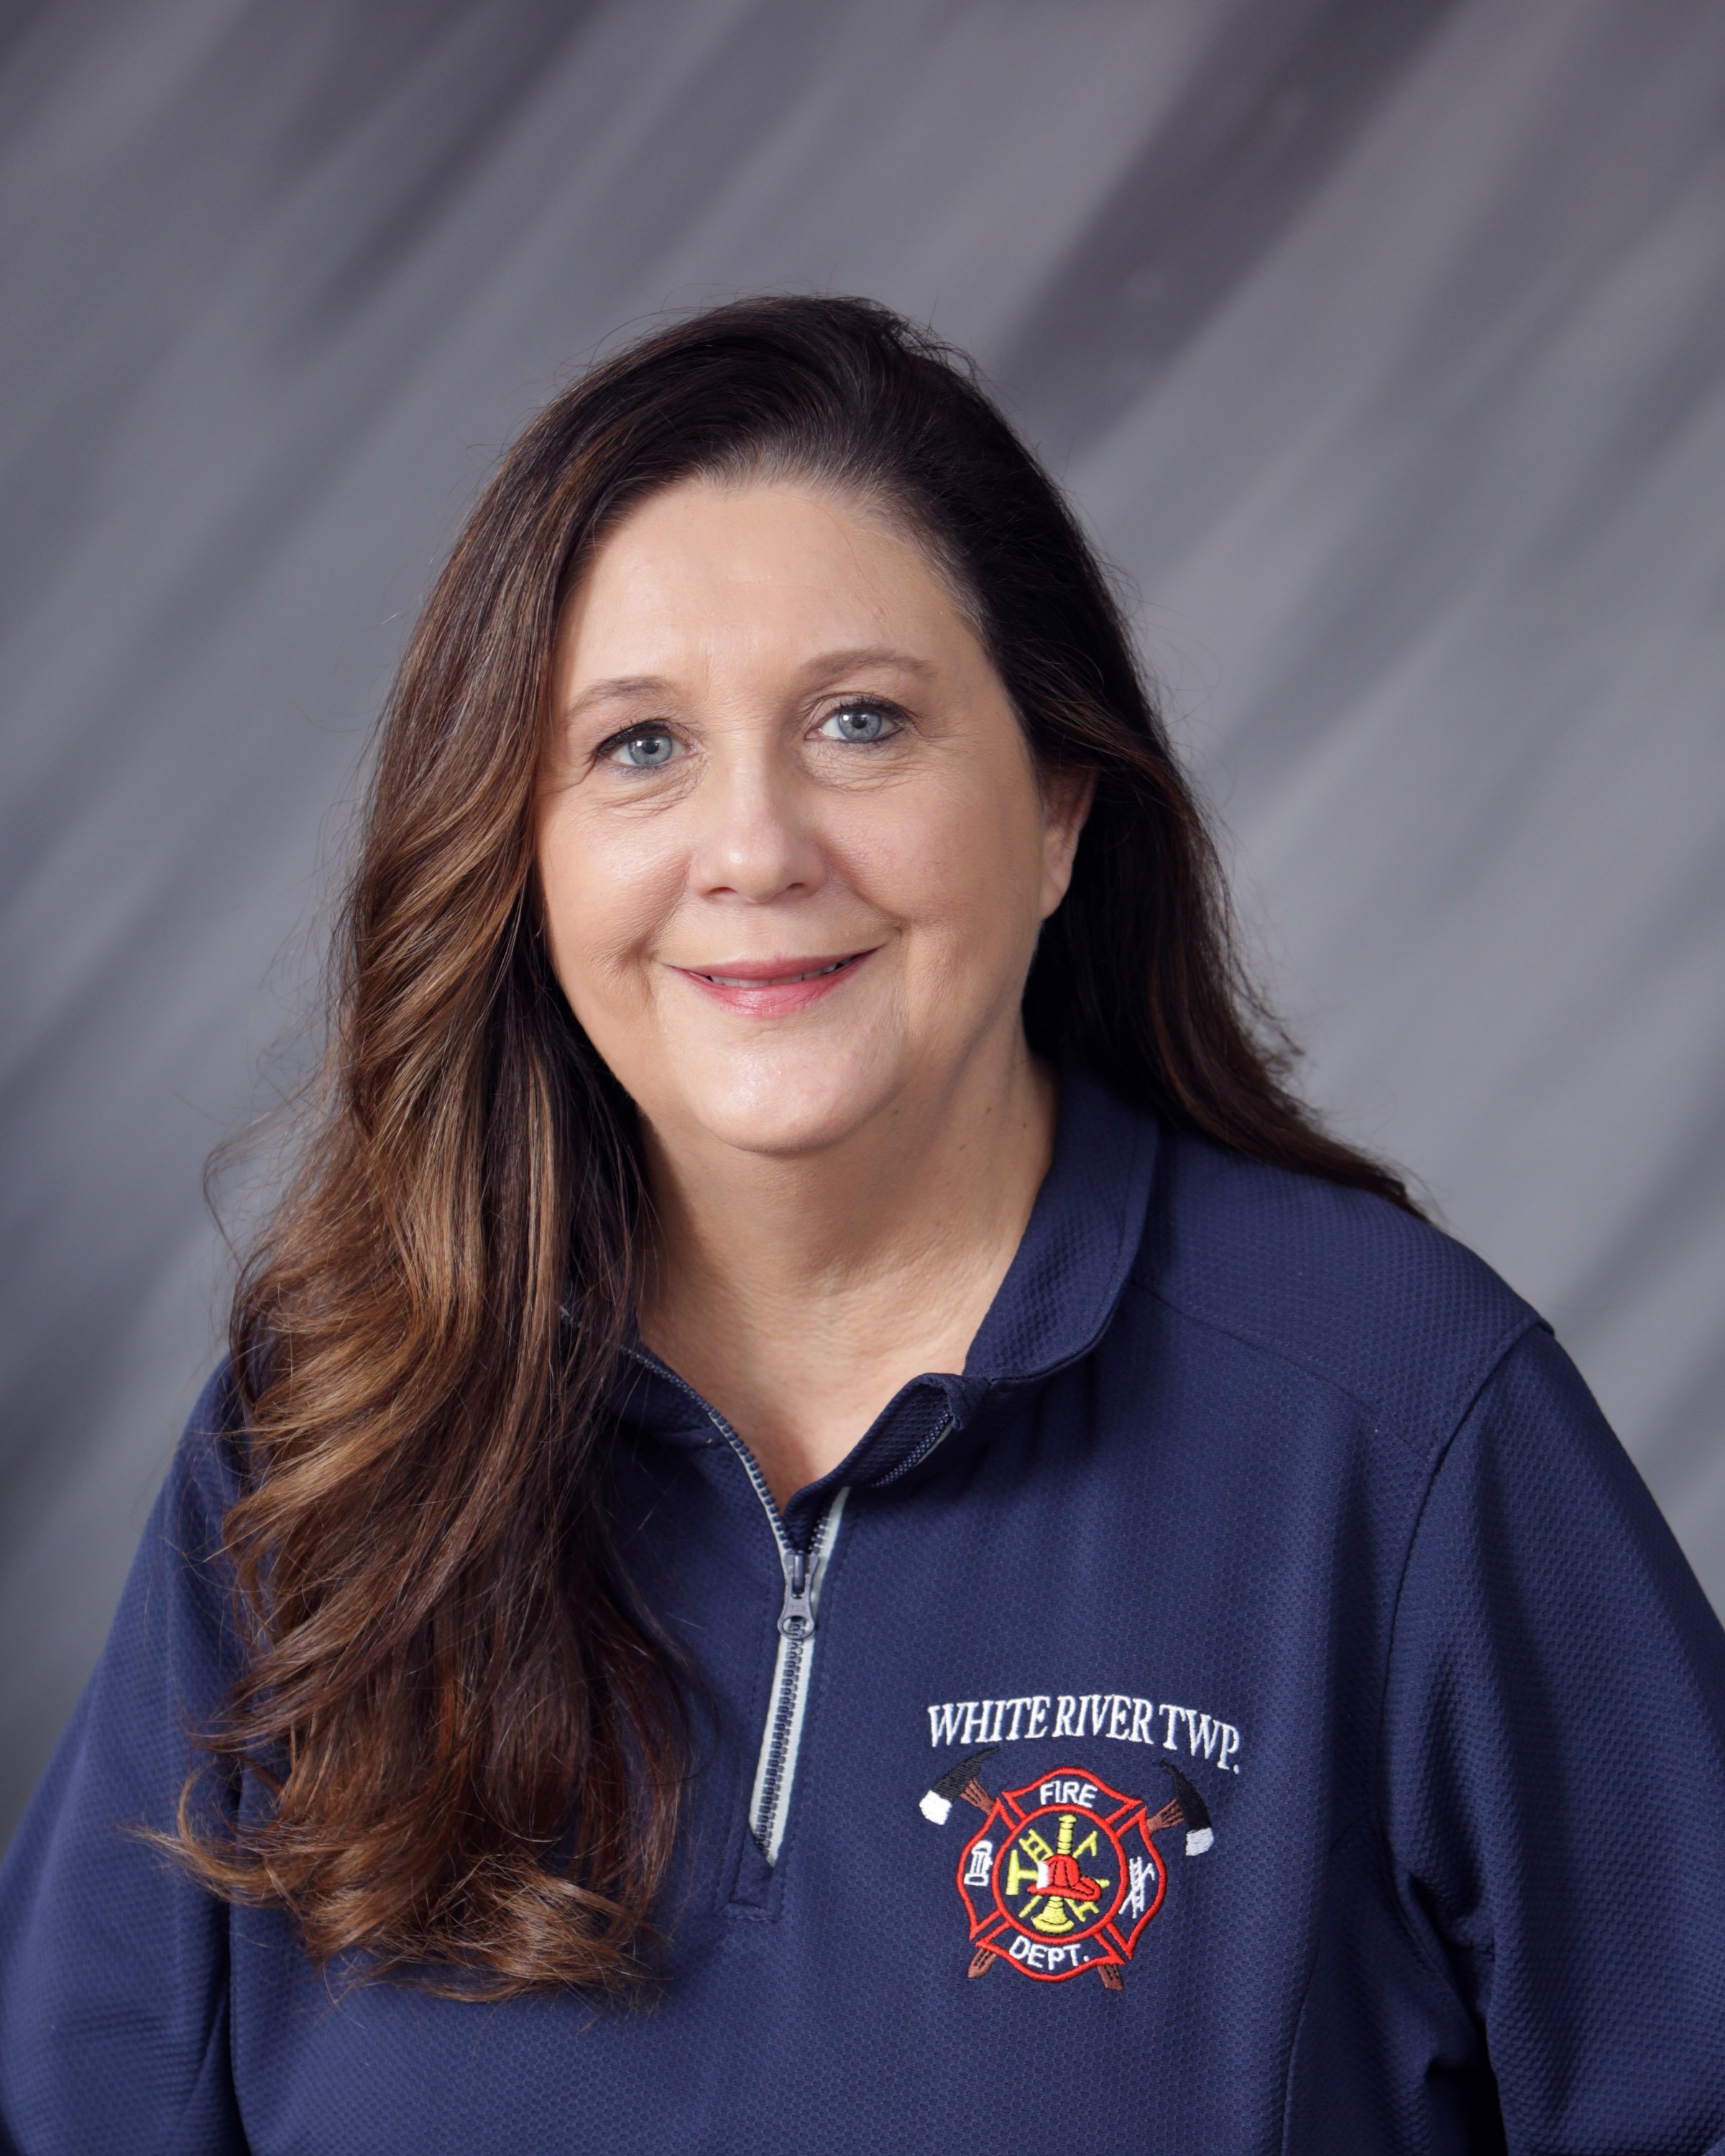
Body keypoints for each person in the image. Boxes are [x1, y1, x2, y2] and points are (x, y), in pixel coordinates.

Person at [1, 295, 1722, 2156]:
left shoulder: (1400, 1429)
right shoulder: (326, 1437)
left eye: (859, 722)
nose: (754, 847)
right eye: (638, 747)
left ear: (1058, 808)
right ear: (523, 844)